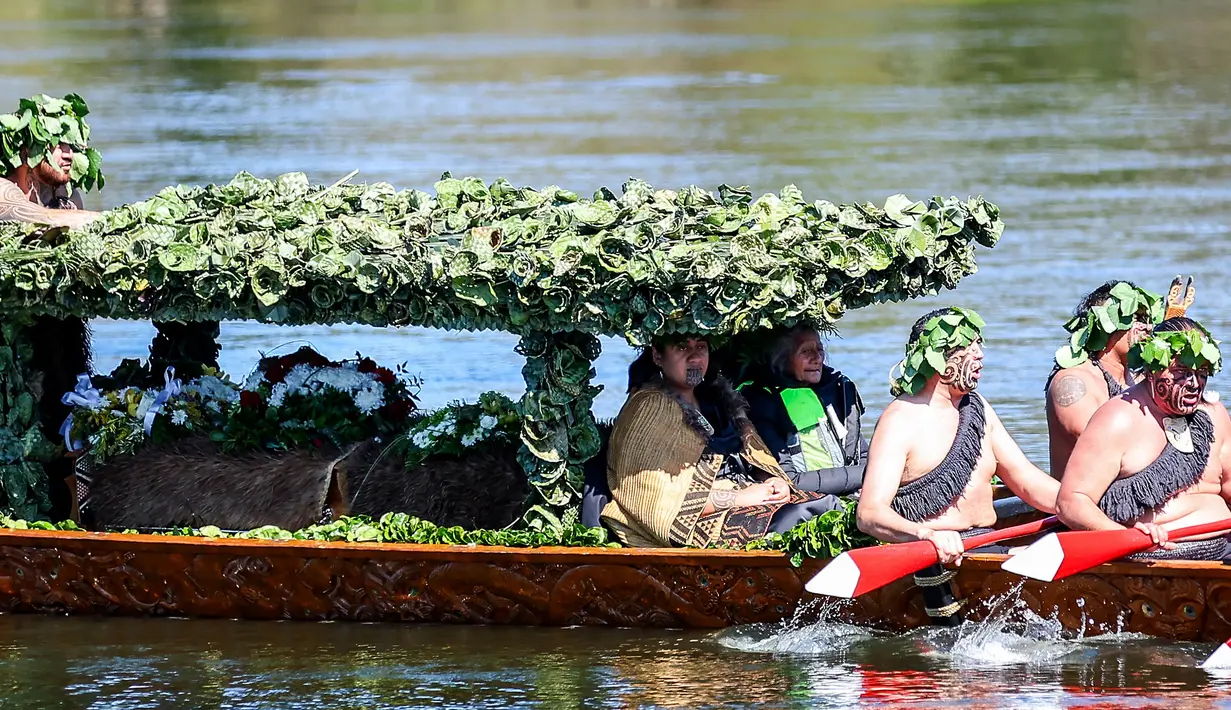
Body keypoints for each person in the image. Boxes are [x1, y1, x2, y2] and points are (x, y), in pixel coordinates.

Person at [856, 307, 1060, 562]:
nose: (980, 356)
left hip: (989, 544)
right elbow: (869, 513)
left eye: (979, 346)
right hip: (933, 555)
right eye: (969, 348)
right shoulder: (900, 421)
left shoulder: (976, 407)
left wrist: (1081, 505)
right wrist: (925, 534)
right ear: (939, 359)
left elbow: (1025, 478)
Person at [601, 335, 841, 548]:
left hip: (751, 495)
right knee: (800, 515)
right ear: (657, 355)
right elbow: (651, 500)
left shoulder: (719, 401)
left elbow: (755, 458)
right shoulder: (649, 407)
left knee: (829, 507)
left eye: (701, 347)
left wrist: (772, 479)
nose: (695, 357)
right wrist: (740, 498)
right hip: (700, 520)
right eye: (683, 348)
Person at [1057, 317, 1231, 560]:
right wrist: (1125, 538)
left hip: (1222, 549)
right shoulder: (1118, 419)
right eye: (1181, 372)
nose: (1193, 383)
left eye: (1201, 372)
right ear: (1151, 370)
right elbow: (1072, 502)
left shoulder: (1213, 415)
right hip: (1147, 557)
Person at [1045, 280, 1164, 476]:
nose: (1148, 327)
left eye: (1148, 319)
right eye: (1137, 318)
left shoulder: (1140, 378)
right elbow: (1102, 449)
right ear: (1105, 325)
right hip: (1086, 500)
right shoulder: (1073, 382)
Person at [742, 325, 866, 496]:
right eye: (806, 352)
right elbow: (790, 480)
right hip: (808, 500)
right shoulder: (762, 402)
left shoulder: (835, 390)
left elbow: (862, 453)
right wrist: (869, 475)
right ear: (782, 358)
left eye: (820, 350)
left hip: (852, 486)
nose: (817, 359)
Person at [0, 93, 103, 229]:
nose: (70, 155)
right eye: (58, 145)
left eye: (71, 146)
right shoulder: (3, 189)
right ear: (27, 152)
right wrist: (109, 218)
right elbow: (44, 217)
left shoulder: (68, 196)